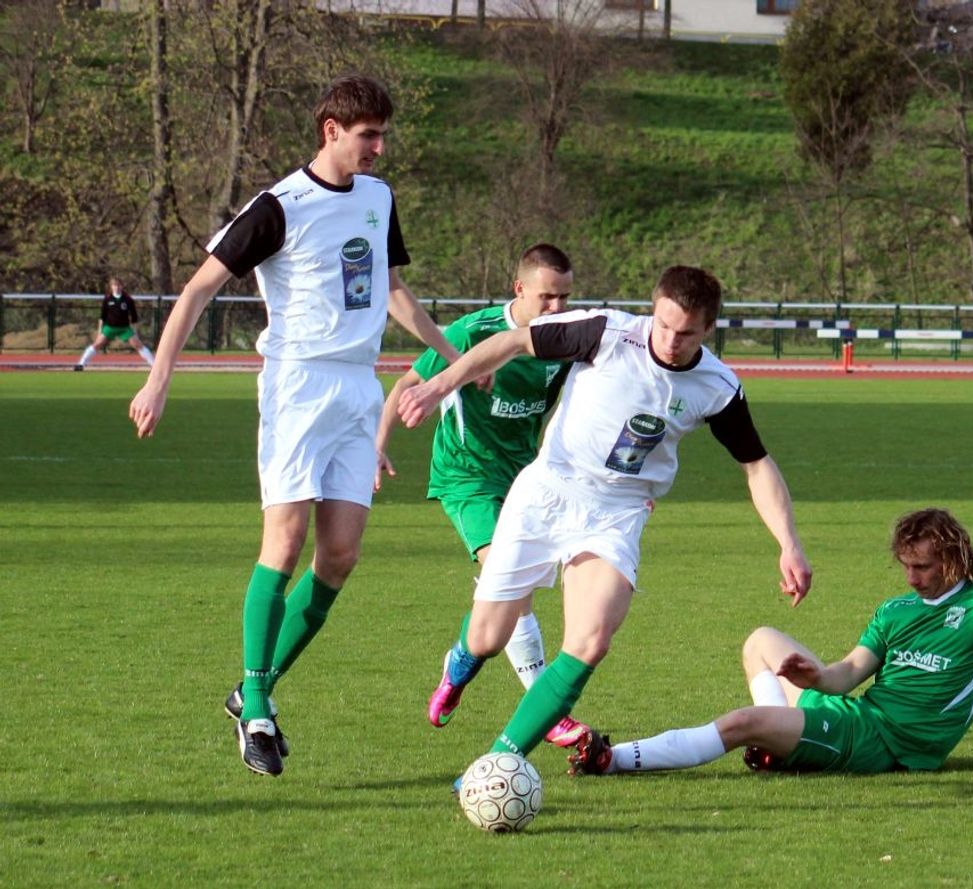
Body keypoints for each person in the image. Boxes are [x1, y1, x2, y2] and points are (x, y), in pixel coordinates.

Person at [129, 74, 464, 778]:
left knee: (338, 556)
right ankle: (255, 703)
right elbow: (196, 289)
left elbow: (394, 291)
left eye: (382, 134)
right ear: (331, 130)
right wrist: (160, 376)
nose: (378, 147)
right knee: (283, 543)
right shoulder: (281, 206)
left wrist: (453, 357)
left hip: (357, 388)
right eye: (367, 134)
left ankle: (253, 687)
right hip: (298, 387)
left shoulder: (378, 198)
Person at [396, 265, 812, 785]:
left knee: (590, 641)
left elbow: (756, 464)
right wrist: (439, 385)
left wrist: (788, 544)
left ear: (708, 330)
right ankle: (460, 661)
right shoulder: (605, 332)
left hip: (617, 512)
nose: (671, 340)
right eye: (664, 325)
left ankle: (496, 763)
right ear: (653, 310)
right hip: (548, 491)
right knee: (488, 636)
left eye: (686, 333)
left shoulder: (719, 387)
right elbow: (514, 342)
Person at [568, 508, 973, 780]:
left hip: (890, 745)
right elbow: (847, 673)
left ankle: (613, 758)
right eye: (906, 566)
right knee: (760, 639)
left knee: (745, 721)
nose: (911, 578)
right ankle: (775, 752)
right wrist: (814, 677)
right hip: (864, 718)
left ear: (953, 559)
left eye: (924, 567)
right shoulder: (895, 611)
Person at [375, 242, 590, 748]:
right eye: (547, 297)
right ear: (520, 289)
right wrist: (376, 445)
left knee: (512, 597)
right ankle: (546, 709)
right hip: (466, 475)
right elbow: (409, 384)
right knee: (507, 575)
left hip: (526, 478)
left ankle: (460, 664)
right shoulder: (473, 333)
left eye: (565, 297)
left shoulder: (567, 341)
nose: (558, 308)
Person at [75, 277, 155, 370]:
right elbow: (102, 317)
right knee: (97, 344)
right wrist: (100, 331)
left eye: (118, 285)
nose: (117, 287)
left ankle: (154, 365)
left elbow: (134, 317)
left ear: (122, 286)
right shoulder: (108, 299)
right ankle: (81, 364)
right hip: (110, 328)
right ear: (111, 287)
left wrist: (135, 331)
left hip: (124, 328)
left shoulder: (128, 299)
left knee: (138, 345)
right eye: (114, 285)